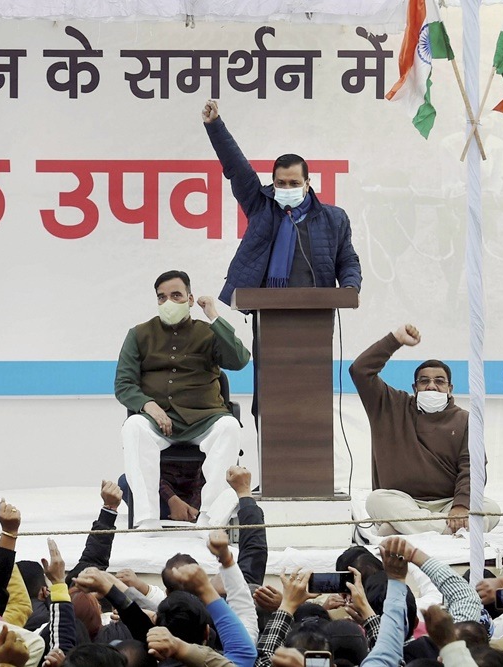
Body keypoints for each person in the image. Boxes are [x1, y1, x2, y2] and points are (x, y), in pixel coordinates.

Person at [115, 271, 250, 532]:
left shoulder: (208, 333)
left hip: (205, 417)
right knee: (133, 427)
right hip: (158, 419)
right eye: (162, 297)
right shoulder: (139, 334)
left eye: (176, 295)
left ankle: (211, 519)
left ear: (189, 299)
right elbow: (124, 385)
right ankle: (147, 520)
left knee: (230, 427)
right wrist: (148, 405)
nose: (169, 302)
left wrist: (214, 316)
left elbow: (239, 360)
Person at [200, 99, 361, 304]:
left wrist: (350, 286)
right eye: (281, 183)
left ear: (307, 184)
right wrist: (215, 126)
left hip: (317, 311)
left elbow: (347, 260)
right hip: (267, 309)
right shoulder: (260, 206)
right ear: (273, 183)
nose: (287, 189)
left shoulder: (334, 218)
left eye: (294, 183)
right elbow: (236, 167)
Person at [351, 324, 500, 535]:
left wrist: (461, 506)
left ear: (450, 389)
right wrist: (395, 340)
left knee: (491, 509)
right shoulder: (391, 407)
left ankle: (407, 529)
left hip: (450, 504)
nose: (431, 386)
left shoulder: (466, 420)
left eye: (439, 381)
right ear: (414, 388)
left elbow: (473, 467)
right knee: (376, 500)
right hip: (402, 502)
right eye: (424, 381)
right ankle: (450, 533)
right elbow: (360, 370)